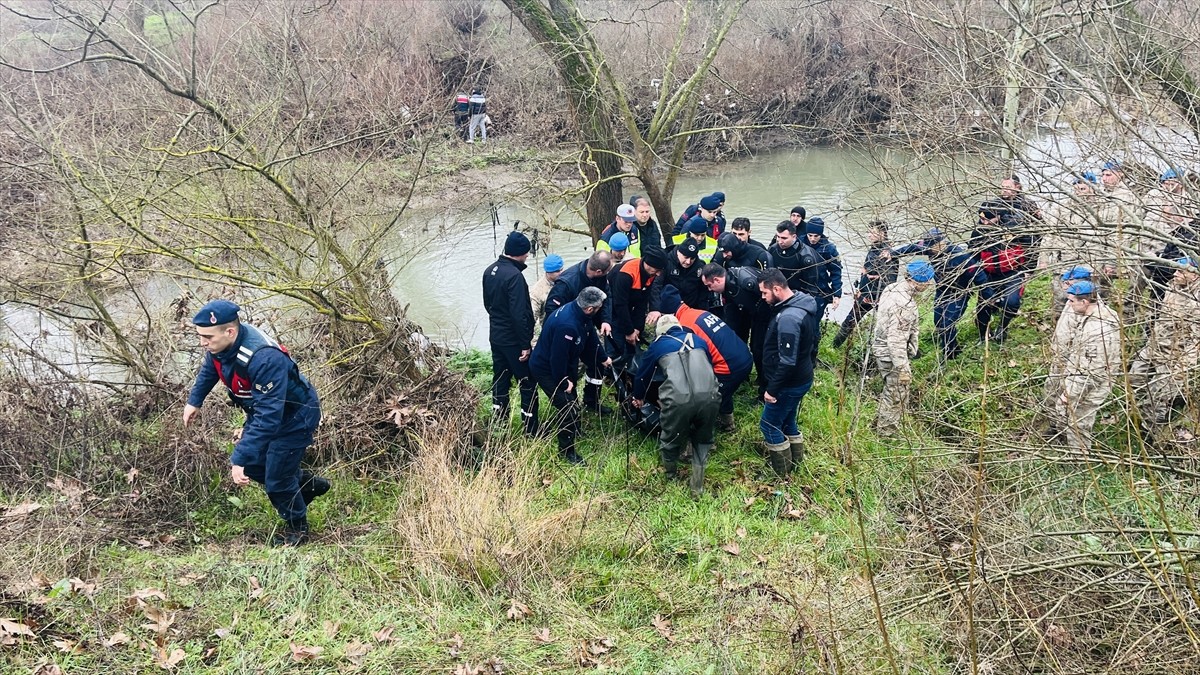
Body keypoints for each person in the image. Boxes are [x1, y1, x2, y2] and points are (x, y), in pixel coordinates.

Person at [183, 300, 326, 547]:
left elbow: (269, 418)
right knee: (255, 466)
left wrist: (239, 458)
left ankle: (298, 529)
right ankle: (308, 484)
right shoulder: (221, 346)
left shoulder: (263, 358)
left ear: (230, 332)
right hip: (265, 412)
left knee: (277, 479)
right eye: (200, 336)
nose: (202, 343)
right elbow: (210, 369)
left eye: (207, 337)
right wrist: (194, 401)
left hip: (295, 415)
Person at [630, 314, 721, 496]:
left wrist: (638, 397)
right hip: (710, 396)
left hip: (678, 400)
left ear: (660, 332)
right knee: (703, 439)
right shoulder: (699, 340)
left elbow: (642, 375)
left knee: (671, 437)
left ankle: (671, 475)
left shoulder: (658, 345)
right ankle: (697, 486)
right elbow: (709, 367)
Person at [530, 287, 613, 464]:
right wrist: (563, 382)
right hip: (546, 368)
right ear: (590, 308)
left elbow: (591, 339)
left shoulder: (581, 314)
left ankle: (574, 429)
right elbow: (557, 358)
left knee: (572, 399)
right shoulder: (567, 325)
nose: (600, 310)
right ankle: (567, 451)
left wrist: (603, 358)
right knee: (568, 408)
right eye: (599, 308)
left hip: (566, 363)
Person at [659, 285, 753, 432]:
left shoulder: (685, 327)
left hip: (729, 368)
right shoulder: (698, 313)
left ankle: (704, 432)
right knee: (723, 391)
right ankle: (727, 421)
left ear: (670, 314)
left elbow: (693, 361)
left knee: (706, 396)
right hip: (745, 357)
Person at [757, 269, 821, 477]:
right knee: (788, 421)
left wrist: (772, 390)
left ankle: (782, 473)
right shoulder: (802, 304)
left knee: (769, 425)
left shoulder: (789, 318)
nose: (763, 297)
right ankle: (796, 464)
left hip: (789, 383)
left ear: (776, 289)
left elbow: (787, 361)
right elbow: (814, 343)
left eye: (764, 292)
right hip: (802, 377)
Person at [1044, 280, 1121, 452]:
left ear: (1084, 302)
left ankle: (1079, 458)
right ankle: (1065, 444)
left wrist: (1069, 394)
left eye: (1072, 301)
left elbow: (1090, 372)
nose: (1069, 304)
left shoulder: (1096, 330)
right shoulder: (1097, 315)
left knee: (1078, 422)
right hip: (1082, 377)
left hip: (1090, 384)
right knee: (1068, 415)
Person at [890, 228, 987, 361]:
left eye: (931, 247)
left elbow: (979, 276)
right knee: (938, 322)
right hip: (942, 290)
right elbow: (912, 247)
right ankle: (954, 347)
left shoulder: (960, 256)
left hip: (959, 293)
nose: (928, 250)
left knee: (946, 324)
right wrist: (892, 254)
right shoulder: (929, 248)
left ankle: (950, 355)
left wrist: (988, 296)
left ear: (941, 244)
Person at [1129, 258, 1200, 434]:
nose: (1175, 274)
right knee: (1134, 379)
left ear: (1194, 275)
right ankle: (1139, 413)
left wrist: (1181, 369)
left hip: (1174, 357)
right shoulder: (1173, 286)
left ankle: (1151, 433)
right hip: (1154, 346)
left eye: (1180, 271)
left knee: (1157, 398)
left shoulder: (1196, 300)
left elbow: (1196, 341)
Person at [482, 231, 539, 436]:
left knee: (500, 379)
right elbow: (519, 313)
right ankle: (531, 429)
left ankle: (499, 423)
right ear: (519, 253)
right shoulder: (515, 276)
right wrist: (525, 344)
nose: (527, 256)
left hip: (496, 336)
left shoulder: (489, 271)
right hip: (513, 340)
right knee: (527, 383)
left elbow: (488, 305)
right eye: (526, 253)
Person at [543, 251, 615, 413]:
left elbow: (606, 296)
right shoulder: (567, 283)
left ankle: (591, 401)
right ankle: (571, 409)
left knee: (598, 362)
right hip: (567, 333)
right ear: (598, 271)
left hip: (587, 328)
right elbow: (551, 311)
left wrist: (605, 320)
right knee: (570, 371)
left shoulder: (600, 276)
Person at [872, 262, 934, 435]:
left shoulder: (892, 288)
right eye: (927, 281)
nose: (929, 285)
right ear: (917, 281)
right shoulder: (904, 305)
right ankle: (886, 434)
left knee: (891, 390)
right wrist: (903, 368)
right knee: (896, 394)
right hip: (891, 355)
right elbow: (896, 340)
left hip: (881, 348)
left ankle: (878, 424)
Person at [971, 198, 1039, 345]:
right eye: (982, 219)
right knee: (984, 305)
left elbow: (1031, 249)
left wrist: (1028, 271)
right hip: (988, 273)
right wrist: (976, 276)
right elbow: (972, 256)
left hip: (1012, 271)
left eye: (989, 220)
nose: (985, 223)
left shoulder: (1015, 227)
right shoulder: (978, 232)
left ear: (999, 216)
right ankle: (983, 335)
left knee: (1012, 302)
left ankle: (1003, 326)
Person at [1040, 173, 1109, 314]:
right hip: (1065, 261)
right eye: (1076, 189)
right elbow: (1050, 233)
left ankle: (1089, 325)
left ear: (1092, 187)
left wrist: (1109, 262)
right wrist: (1044, 258)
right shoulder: (1062, 207)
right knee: (1061, 300)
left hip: (1091, 262)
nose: (1079, 192)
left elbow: (1110, 238)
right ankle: (1060, 324)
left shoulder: (1103, 208)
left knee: (1090, 300)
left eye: (1083, 189)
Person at [702, 263, 772, 398]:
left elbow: (770, 296)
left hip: (764, 315)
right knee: (738, 342)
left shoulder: (745, 281)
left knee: (759, 348)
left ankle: (765, 385)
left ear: (717, 280)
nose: (710, 290)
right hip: (747, 312)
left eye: (710, 286)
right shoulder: (727, 287)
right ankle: (744, 375)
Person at [833, 220, 897, 348]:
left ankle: (906, 350)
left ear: (882, 233)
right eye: (869, 232)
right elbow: (867, 271)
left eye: (873, 232)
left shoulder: (887, 253)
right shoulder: (874, 248)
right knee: (850, 321)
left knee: (891, 325)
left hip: (878, 296)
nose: (869, 235)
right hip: (866, 293)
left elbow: (889, 280)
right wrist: (861, 288)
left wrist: (875, 297)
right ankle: (834, 347)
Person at [609, 248, 667, 363]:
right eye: (657, 270)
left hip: (631, 302)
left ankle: (631, 360)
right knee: (617, 344)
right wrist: (629, 331)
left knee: (633, 343)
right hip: (613, 306)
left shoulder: (650, 274)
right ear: (648, 264)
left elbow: (642, 303)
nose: (658, 274)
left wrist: (637, 328)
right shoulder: (626, 274)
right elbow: (620, 305)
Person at [767, 221, 823, 301]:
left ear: (794, 237)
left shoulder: (806, 256)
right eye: (778, 237)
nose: (780, 241)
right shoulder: (772, 249)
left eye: (784, 238)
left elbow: (811, 286)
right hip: (776, 294)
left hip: (798, 297)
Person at [804, 217, 844, 318]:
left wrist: (837, 294)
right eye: (810, 235)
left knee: (814, 322)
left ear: (821, 234)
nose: (812, 239)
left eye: (816, 236)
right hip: (801, 288)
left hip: (820, 290)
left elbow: (836, 272)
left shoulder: (829, 249)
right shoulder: (799, 244)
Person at [653, 239, 709, 310]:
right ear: (678, 252)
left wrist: (703, 311)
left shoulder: (700, 266)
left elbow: (703, 292)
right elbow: (656, 286)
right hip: (668, 308)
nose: (688, 262)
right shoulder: (666, 262)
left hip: (691, 309)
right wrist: (655, 309)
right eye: (686, 257)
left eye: (692, 258)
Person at [530, 254, 564, 337]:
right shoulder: (537, 291)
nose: (561, 273)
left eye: (562, 269)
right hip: (550, 329)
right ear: (548, 272)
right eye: (557, 271)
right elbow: (532, 318)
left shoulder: (565, 280)